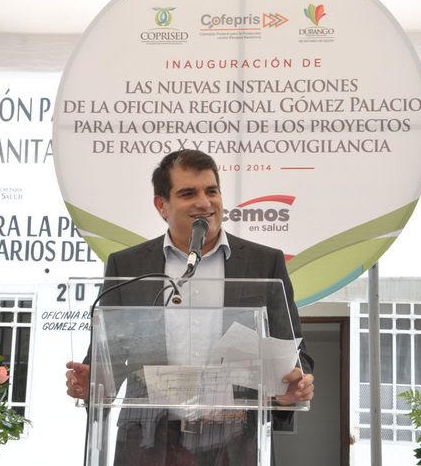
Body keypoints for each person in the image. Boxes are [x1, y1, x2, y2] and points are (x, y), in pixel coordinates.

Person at [66, 150, 314, 464]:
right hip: (150, 443)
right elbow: (106, 358)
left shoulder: (264, 264)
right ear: (161, 205)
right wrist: (93, 382)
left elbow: (296, 353)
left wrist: (293, 387)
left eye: (211, 191)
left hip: (236, 443)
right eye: (188, 193)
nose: (204, 202)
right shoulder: (128, 266)